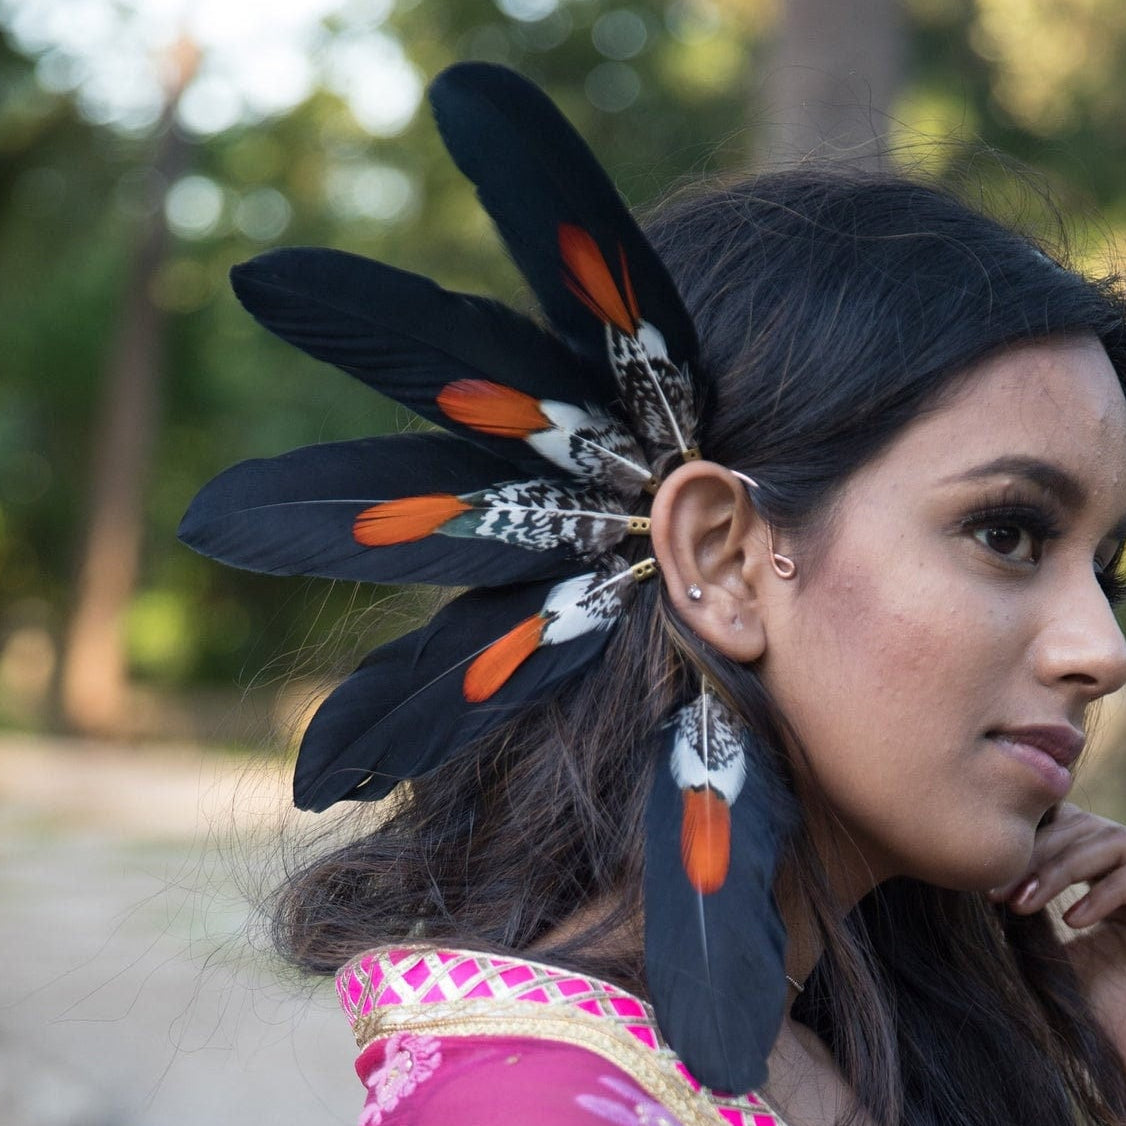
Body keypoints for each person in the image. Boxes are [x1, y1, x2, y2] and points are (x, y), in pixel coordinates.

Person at [180, 64, 1126, 1125]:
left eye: (1107, 569)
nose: (1100, 646)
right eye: (1005, 532)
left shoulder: (849, 1052)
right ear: (717, 556)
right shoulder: (530, 1111)